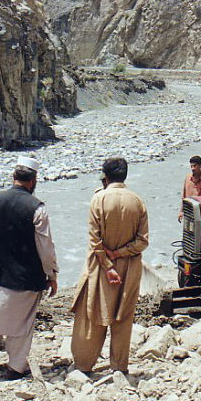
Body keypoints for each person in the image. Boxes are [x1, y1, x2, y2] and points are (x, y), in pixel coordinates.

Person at [0, 157, 59, 381]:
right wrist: (51, 274)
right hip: (26, 276)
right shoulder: (37, 208)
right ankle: (15, 366)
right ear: (33, 181)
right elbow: (45, 246)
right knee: (22, 323)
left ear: (14, 177)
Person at [72, 157, 149, 374]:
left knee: (93, 315)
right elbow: (143, 241)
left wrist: (108, 264)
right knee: (123, 319)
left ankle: (84, 364)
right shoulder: (137, 201)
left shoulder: (98, 199)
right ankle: (119, 367)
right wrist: (121, 253)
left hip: (101, 269)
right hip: (129, 269)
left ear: (105, 177)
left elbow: (94, 241)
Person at [179, 155, 201, 221]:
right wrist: (181, 211)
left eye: (195, 166)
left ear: (200, 166)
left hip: (200, 214)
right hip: (188, 212)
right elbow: (184, 197)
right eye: (191, 166)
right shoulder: (187, 179)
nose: (193, 168)